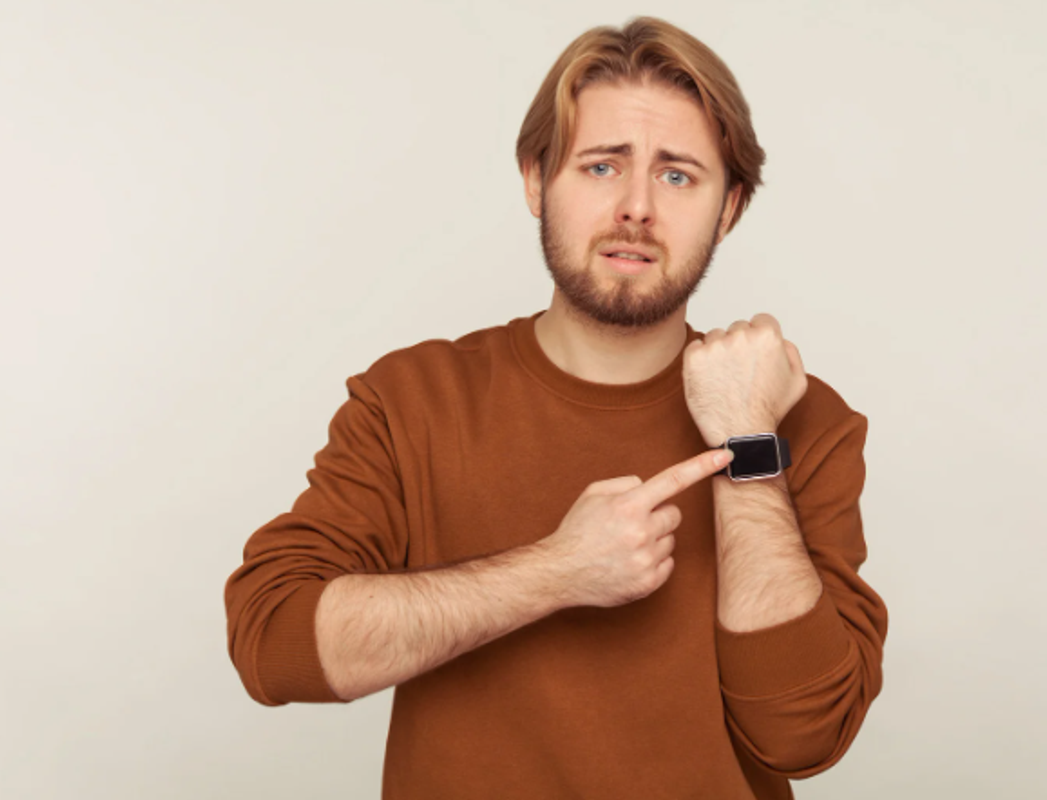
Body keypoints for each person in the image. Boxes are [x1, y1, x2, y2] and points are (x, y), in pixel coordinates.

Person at [224, 15, 888, 800]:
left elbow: (805, 735)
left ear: (729, 207)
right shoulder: (413, 400)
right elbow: (273, 644)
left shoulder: (796, 417)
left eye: (678, 176)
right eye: (602, 166)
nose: (636, 207)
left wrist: (749, 441)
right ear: (537, 180)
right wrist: (558, 571)